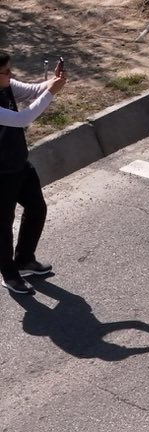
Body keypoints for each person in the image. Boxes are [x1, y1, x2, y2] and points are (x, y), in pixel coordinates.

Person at [0, 52, 64, 296]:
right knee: (3, 227)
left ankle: (25, 260)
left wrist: (52, 83)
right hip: (0, 174)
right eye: (6, 72)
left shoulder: (6, 85)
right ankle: (9, 275)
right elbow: (22, 119)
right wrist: (51, 93)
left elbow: (33, 91)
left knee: (37, 208)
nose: (11, 75)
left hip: (19, 164)